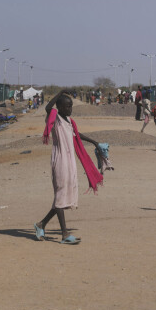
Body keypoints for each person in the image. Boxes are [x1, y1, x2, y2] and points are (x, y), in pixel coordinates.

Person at [34, 91, 103, 244]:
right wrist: (59, 93)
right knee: (60, 196)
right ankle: (64, 234)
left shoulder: (69, 121)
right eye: (66, 106)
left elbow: (77, 134)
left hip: (70, 161)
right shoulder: (55, 118)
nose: (69, 109)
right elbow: (48, 108)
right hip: (60, 160)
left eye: (71, 106)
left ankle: (41, 224)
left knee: (63, 196)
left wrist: (94, 142)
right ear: (59, 107)